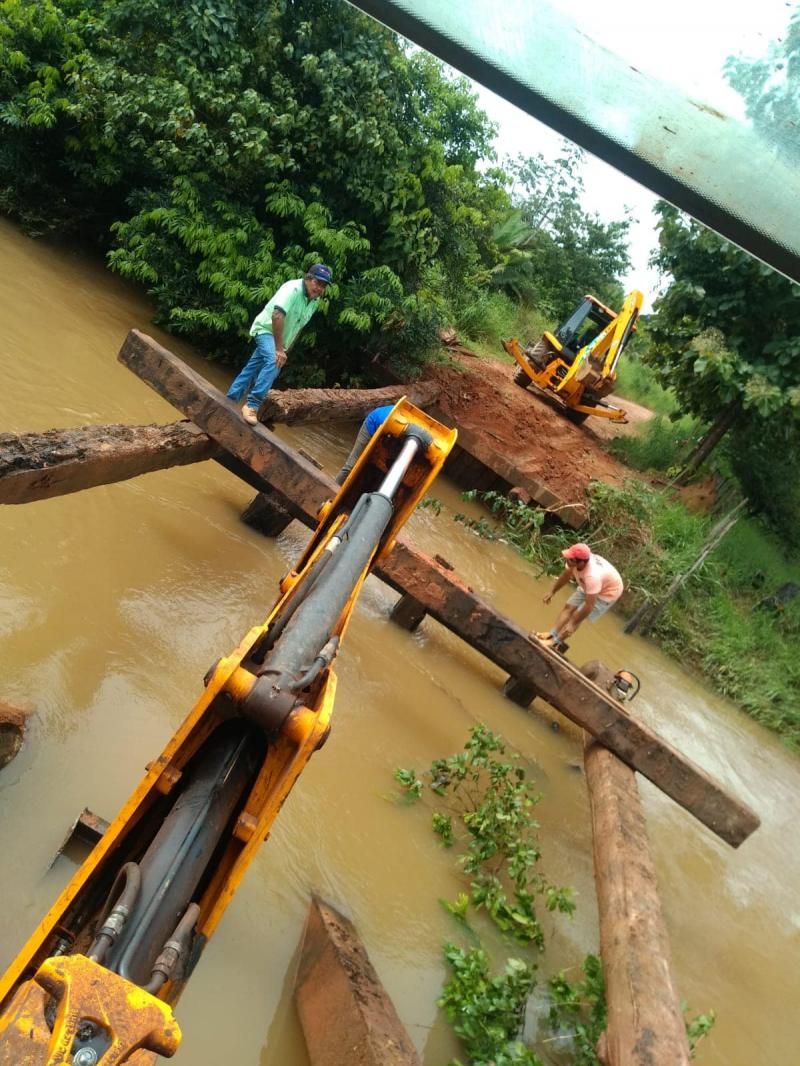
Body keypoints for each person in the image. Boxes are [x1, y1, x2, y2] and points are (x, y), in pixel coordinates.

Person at [227, 264, 333, 424]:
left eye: (323, 285)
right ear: (308, 278)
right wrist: (278, 350)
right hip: (266, 328)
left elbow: (299, 326)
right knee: (273, 361)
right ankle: (252, 405)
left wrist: (285, 349)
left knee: (254, 367)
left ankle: (230, 400)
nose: (319, 288)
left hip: (280, 340)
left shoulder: (314, 301)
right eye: (317, 283)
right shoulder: (292, 289)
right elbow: (277, 315)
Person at [533, 542, 624, 646]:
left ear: (581, 563)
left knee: (576, 616)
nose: (567, 560)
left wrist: (573, 623)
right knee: (569, 607)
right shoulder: (575, 562)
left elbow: (589, 605)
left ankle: (555, 642)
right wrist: (552, 592)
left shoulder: (592, 577)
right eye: (568, 558)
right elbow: (565, 576)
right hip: (591, 584)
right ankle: (552, 634)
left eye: (571, 560)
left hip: (607, 592)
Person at [335, 404, 394, 484]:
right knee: (351, 465)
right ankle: (333, 487)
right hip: (372, 425)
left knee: (367, 469)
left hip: (385, 433)